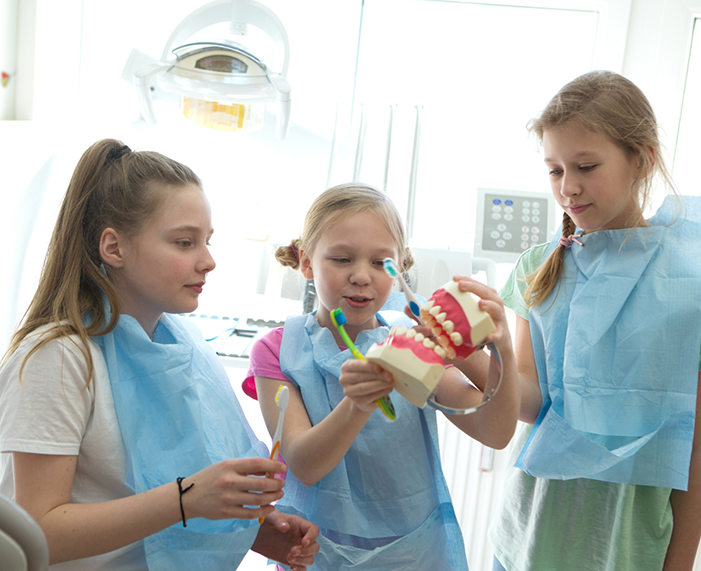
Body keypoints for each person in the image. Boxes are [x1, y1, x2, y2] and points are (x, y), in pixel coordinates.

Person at [0, 139, 320, 571]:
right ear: (113, 248)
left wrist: (261, 533)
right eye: (185, 243)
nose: (208, 262)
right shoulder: (59, 358)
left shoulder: (185, 345)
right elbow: (38, 530)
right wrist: (188, 497)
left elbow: (169, 496)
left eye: (207, 242)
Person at [245, 183, 520, 570]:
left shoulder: (411, 343)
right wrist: (357, 404)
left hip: (415, 552)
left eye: (380, 263)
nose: (361, 276)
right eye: (341, 259)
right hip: (317, 552)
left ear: (400, 267)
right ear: (306, 261)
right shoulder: (277, 352)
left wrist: (501, 350)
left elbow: (495, 431)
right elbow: (305, 464)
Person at [489, 70, 701, 571]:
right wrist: (478, 356)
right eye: (555, 170)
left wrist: (680, 561)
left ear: (642, 159)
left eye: (585, 165)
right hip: (530, 533)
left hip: (627, 546)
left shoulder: (688, 281)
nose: (569, 187)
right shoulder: (539, 268)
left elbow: (695, 446)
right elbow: (531, 402)